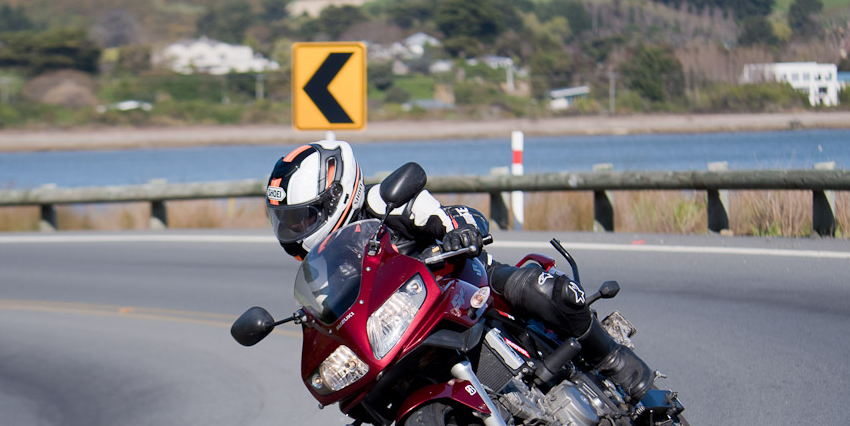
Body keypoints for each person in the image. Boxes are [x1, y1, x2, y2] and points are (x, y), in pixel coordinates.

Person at [264, 139, 652, 401]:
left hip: (466, 286)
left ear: (339, 195)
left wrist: (457, 233)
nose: (296, 230)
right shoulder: (323, 268)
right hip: (409, 328)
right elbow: (331, 312)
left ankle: (611, 360)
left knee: (537, 289)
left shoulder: (387, 204)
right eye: (288, 221)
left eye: (303, 218)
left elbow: (459, 217)